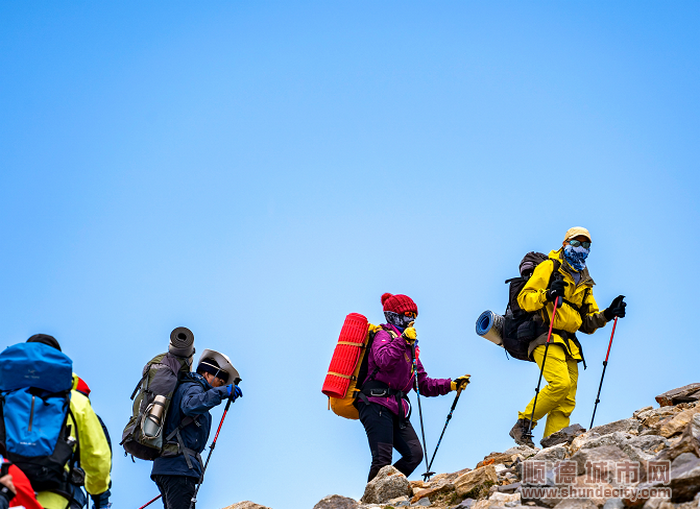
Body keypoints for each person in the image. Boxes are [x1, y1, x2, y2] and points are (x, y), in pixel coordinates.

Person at [509, 227, 627, 447]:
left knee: (566, 400)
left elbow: (587, 322)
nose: (581, 248)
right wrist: (548, 294)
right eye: (576, 242)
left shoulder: (585, 280)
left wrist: (608, 314)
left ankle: (553, 445)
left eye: (586, 244)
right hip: (544, 334)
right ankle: (523, 423)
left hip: (569, 342)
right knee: (560, 383)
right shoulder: (549, 267)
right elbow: (525, 298)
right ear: (565, 244)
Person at [356, 293, 471, 482]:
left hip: (396, 408)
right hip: (375, 403)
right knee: (382, 460)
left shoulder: (410, 348)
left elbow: (423, 384)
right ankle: (371, 502)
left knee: (415, 454)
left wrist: (451, 385)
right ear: (393, 315)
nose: (412, 320)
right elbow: (383, 360)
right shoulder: (382, 334)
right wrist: (403, 341)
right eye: (408, 314)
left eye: (414, 316)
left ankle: (387, 490)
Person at [22, 334, 112, 509]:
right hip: (62, 498)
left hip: (12, 496)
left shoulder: (7, 399)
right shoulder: (75, 402)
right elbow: (97, 457)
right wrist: (100, 498)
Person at [151, 350, 242, 509]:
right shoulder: (193, 385)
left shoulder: (186, 387)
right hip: (178, 468)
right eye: (219, 382)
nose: (219, 385)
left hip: (170, 466)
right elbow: (190, 405)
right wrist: (222, 392)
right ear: (207, 374)